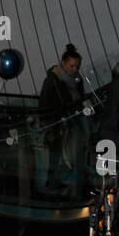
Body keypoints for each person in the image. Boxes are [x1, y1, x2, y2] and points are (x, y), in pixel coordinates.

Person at [39, 44, 85, 192]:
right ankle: (53, 184)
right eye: (72, 66)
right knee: (57, 156)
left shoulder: (76, 79)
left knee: (65, 156)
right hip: (58, 125)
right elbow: (44, 105)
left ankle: (59, 183)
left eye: (76, 66)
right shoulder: (53, 81)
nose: (74, 70)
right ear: (63, 63)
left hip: (71, 123)